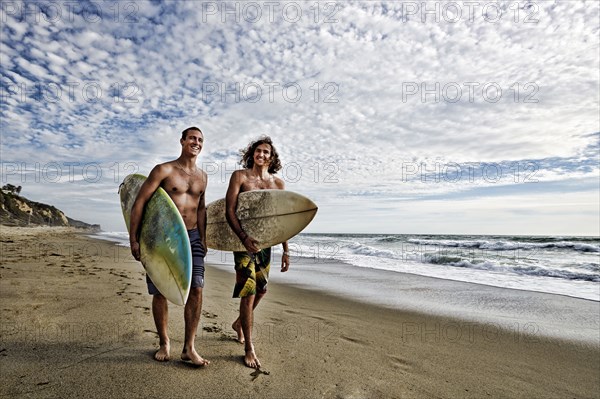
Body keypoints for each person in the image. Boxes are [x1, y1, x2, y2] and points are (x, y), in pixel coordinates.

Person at [128, 126, 209, 366]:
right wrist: (134, 238)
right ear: (182, 141)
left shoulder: (203, 176)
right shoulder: (164, 170)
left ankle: (189, 347)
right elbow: (140, 202)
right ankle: (164, 342)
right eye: (192, 138)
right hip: (163, 238)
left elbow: (201, 208)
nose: (196, 142)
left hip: (192, 236)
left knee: (196, 289)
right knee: (162, 289)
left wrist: (203, 238)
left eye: (200, 140)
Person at [225, 136, 290, 369]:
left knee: (262, 290)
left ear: (272, 158)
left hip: (265, 243)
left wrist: (286, 250)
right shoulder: (240, 177)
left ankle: (238, 323)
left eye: (266, 152)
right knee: (249, 292)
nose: (261, 155)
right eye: (258, 151)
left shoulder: (277, 184)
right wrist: (243, 238)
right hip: (242, 243)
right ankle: (249, 348)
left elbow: (282, 221)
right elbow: (229, 211)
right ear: (252, 153)